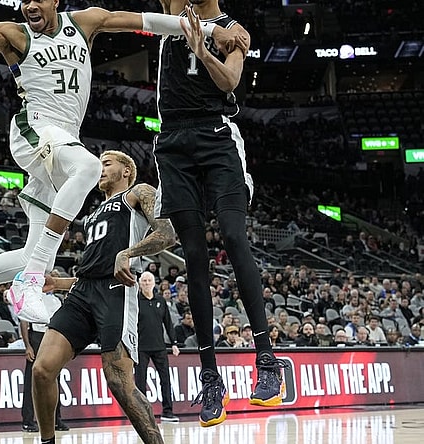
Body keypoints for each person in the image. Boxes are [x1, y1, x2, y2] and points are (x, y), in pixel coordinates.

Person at [0, 0, 242, 339]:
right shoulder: (14, 35)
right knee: (89, 168)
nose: (30, 6)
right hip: (35, 130)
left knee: (33, 254)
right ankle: (30, 282)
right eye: (25, 1)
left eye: (38, 0)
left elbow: (145, 22)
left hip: (63, 145)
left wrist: (211, 30)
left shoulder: (84, 22)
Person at [151, 0, 285, 427]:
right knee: (193, 255)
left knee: (233, 234)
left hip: (216, 134)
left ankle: (266, 360)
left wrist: (203, 48)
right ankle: (210, 378)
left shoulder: (234, 29)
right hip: (173, 141)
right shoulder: (173, 10)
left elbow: (230, 81)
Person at [34, 151, 176, 444]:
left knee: (119, 381)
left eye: (106, 163)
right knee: (42, 369)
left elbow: (167, 234)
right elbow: (95, 268)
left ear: (126, 171)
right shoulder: (92, 214)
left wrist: (128, 253)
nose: (99, 168)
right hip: (83, 291)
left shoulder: (138, 193)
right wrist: (59, 283)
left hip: (116, 290)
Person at [135, 271, 180, 422]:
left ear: (154, 283)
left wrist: (174, 343)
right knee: (140, 382)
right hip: (141, 348)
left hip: (160, 347)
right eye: (144, 281)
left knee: (165, 379)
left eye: (149, 280)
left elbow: (168, 323)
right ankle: (143, 414)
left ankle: (168, 412)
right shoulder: (135, 301)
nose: (147, 283)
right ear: (139, 283)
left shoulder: (160, 300)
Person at [20, 296, 67, 433]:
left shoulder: (57, 300)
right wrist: (28, 346)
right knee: (31, 380)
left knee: (55, 379)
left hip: (54, 335)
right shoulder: (31, 297)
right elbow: (23, 322)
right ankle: (28, 420)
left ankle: (56, 419)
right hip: (36, 335)